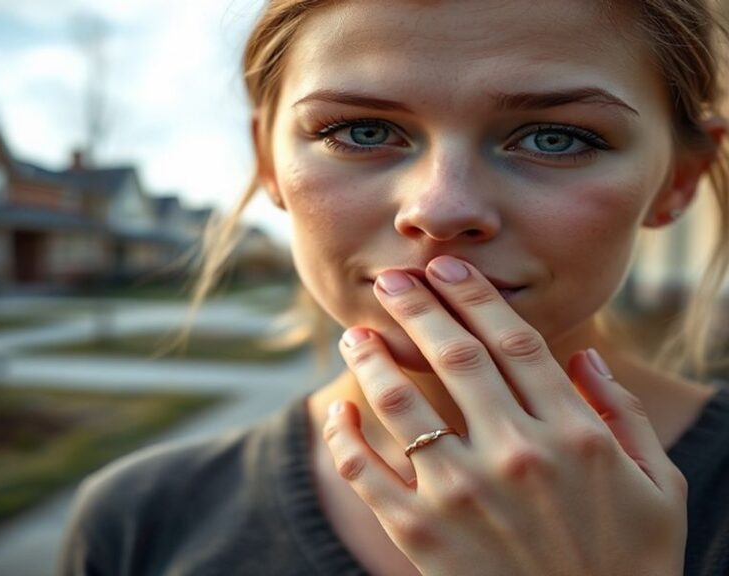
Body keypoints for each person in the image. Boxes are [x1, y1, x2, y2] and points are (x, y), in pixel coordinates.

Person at [57, 1, 729, 574]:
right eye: (362, 131)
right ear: (267, 161)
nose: (440, 209)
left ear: (678, 181)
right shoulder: (139, 522)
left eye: (555, 138)